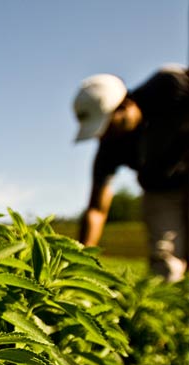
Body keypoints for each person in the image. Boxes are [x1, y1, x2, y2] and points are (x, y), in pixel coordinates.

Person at [73, 66, 189, 282]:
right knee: (165, 261)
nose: (103, 135)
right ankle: (165, 310)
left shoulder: (169, 86)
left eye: (106, 125)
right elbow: (97, 210)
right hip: (159, 190)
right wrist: (81, 259)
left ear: (124, 106)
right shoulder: (109, 146)